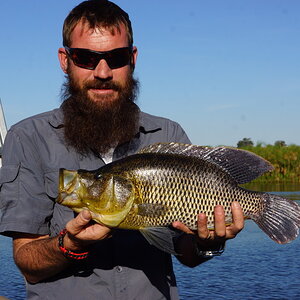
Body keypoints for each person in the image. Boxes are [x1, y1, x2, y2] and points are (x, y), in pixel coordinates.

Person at [0, 1, 244, 299]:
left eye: (116, 57)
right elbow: (27, 263)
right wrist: (71, 244)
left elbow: (187, 255)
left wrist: (209, 244)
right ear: (65, 60)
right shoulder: (28, 138)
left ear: (133, 58)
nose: (102, 71)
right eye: (85, 58)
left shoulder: (169, 134)